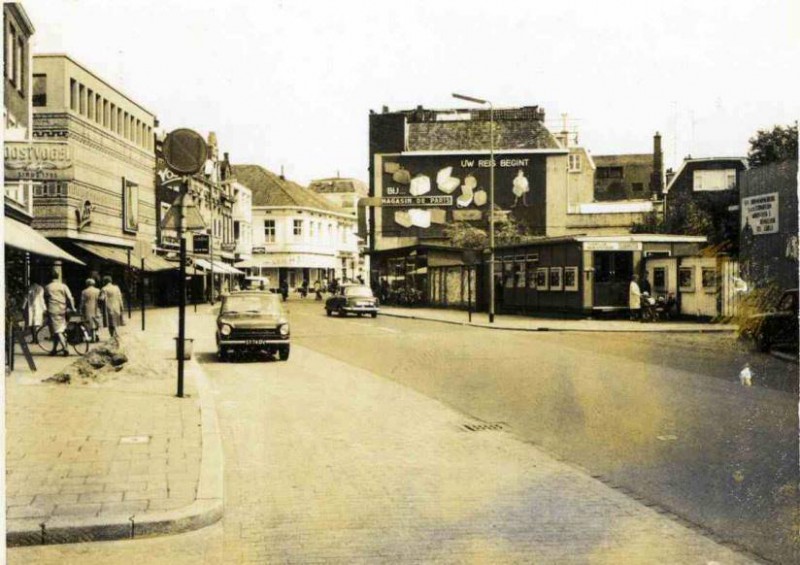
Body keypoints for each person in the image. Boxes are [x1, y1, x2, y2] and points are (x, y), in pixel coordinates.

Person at [44, 270, 75, 356]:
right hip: (63, 309)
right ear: (57, 276)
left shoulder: (47, 287)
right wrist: (73, 308)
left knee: (57, 331)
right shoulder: (63, 286)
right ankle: (54, 349)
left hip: (53, 309)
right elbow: (70, 297)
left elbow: (46, 299)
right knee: (57, 329)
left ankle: (65, 349)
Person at [23, 279, 46, 344]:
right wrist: (44, 308)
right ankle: (36, 339)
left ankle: (34, 339)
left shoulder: (29, 288)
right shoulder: (40, 288)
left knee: (32, 324)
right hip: (39, 307)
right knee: (36, 324)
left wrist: (23, 306)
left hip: (30, 307)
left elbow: (26, 298)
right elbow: (42, 299)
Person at [80, 278, 102, 342]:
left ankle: (93, 337)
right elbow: (100, 300)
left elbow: (82, 301)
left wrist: (80, 309)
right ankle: (95, 335)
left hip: (88, 308)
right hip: (96, 308)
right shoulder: (98, 290)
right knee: (96, 322)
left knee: (90, 323)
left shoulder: (84, 291)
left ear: (87, 284)